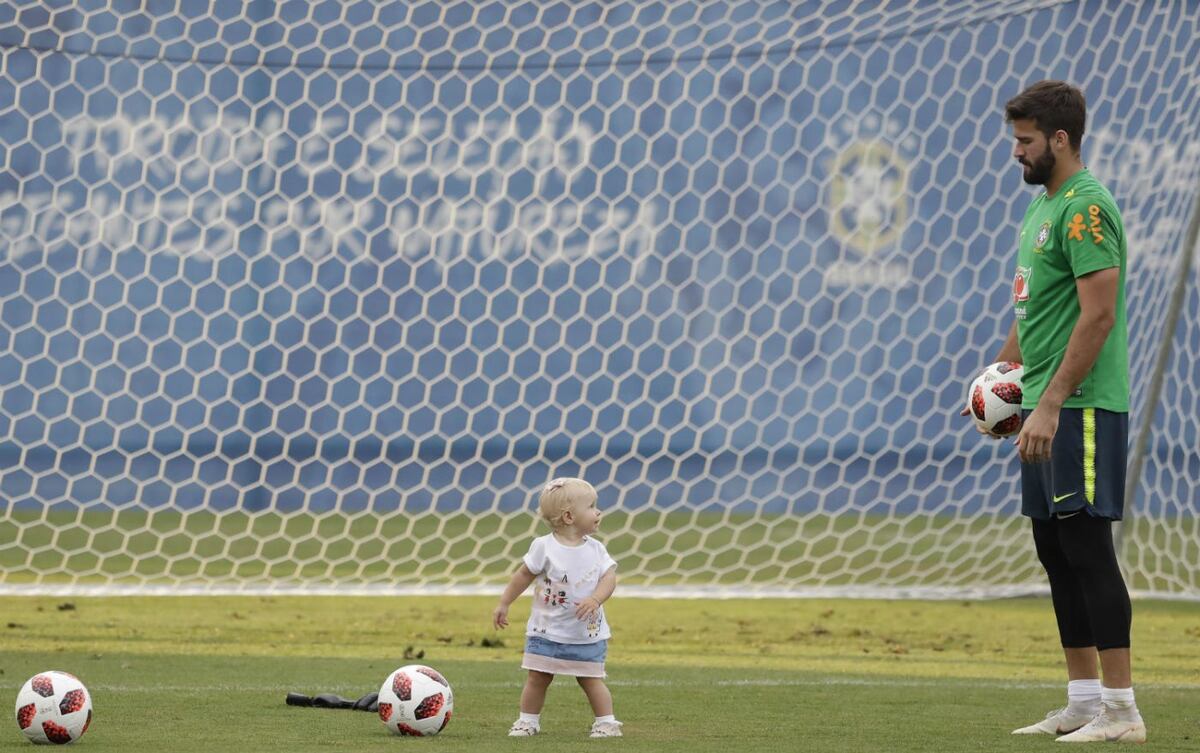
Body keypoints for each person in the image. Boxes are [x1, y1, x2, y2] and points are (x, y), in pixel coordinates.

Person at [971, 80, 1144, 743]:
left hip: (1081, 405)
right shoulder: (1043, 208)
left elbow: (1097, 315)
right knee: (1054, 547)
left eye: (1025, 140)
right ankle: (1083, 698)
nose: (1016, 152)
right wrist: (995, 384)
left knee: (1088, 545)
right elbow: (1034, 314)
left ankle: (1124, 711)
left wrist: (1047, 404)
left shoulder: (1085, 209)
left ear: (1060, 139)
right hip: (1043, 406)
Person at [492, 477, 622, 738]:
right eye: (592, 506)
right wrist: (505, 602)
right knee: (537, 678)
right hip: (546, 632)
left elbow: (610, 578)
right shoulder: (543, 547)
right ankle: (527, 721)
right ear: (569, 516)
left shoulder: (597, 550)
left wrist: (595, 599)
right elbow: (523, 575)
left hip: (584, 633)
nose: (598, 512)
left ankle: (607, 722)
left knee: (590, 679)